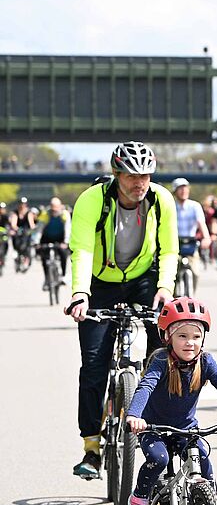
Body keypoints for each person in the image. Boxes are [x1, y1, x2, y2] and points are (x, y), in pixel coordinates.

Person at [66, 141, 180, 480]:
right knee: (94, 365)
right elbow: (82, 250)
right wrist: (79, 293)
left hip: (144, 278)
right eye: (131, 175)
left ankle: (157, 427)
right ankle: (91, 447)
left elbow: (170, 250)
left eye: (145, 175)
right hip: (100, 281)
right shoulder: (92, 200)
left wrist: (165, 289)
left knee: (164, 350)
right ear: (117, 175)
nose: (138, 183)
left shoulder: (162, 200)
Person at [123, 298, 217, 505]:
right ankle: (139, 501)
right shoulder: (161, 360)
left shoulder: (205, 361)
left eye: (196, 337)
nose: (190, 343)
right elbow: (145, 387)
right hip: (153, 428)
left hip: (186, 428)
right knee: (159, 459)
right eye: (182, 336)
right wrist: (135, 416)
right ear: (168, 338)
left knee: (203, 458)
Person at [171, 178, 208, 273]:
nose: (183, 191)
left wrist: (206, 238)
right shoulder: (171, 206)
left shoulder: (195, 206)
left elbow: (201, 223)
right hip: (174, 243)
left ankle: (192, 287)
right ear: (175, 191)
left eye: (185, 188)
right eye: (180, 188)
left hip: (191, 242)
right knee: (172, 272)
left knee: (196, 271)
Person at [37, 196, 72, 277]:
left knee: (63, 254)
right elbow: (39, 229)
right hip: (47, 238)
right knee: (44, 257)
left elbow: (68, 229)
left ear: (60, 206)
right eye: (53, 209)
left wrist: (66, 242)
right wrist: (36, 242)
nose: (54, 211)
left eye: (56, 209)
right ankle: (47, 277)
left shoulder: (65, 214)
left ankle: (63, 275)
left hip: (60, 238)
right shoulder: (45, 214)